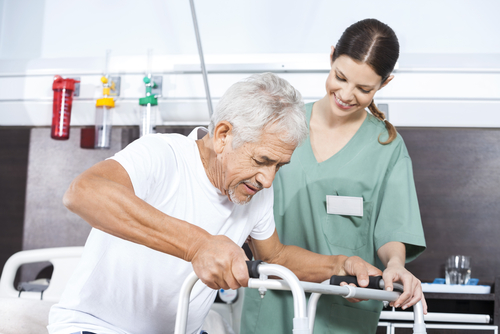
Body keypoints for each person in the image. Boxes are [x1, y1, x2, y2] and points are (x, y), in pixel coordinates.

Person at [47, 72, 387, 334]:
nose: (267, 180)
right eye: (262, 160)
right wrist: (198, 246)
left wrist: (339, 266)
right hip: (95, 325)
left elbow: (275, 258)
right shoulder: (163, 155)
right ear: (223, 135)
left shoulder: (256, 192)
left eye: (278, 167)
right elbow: (84, 192)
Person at [241, 19, 427, 334]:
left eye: (364, 88)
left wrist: (395, 264)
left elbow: (393, 226)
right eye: (340, 77)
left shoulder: (387, 147)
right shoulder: (281, 126)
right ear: (331, 57)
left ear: (384, 83)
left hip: (343, 309)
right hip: (272, 302)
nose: (346, 94)